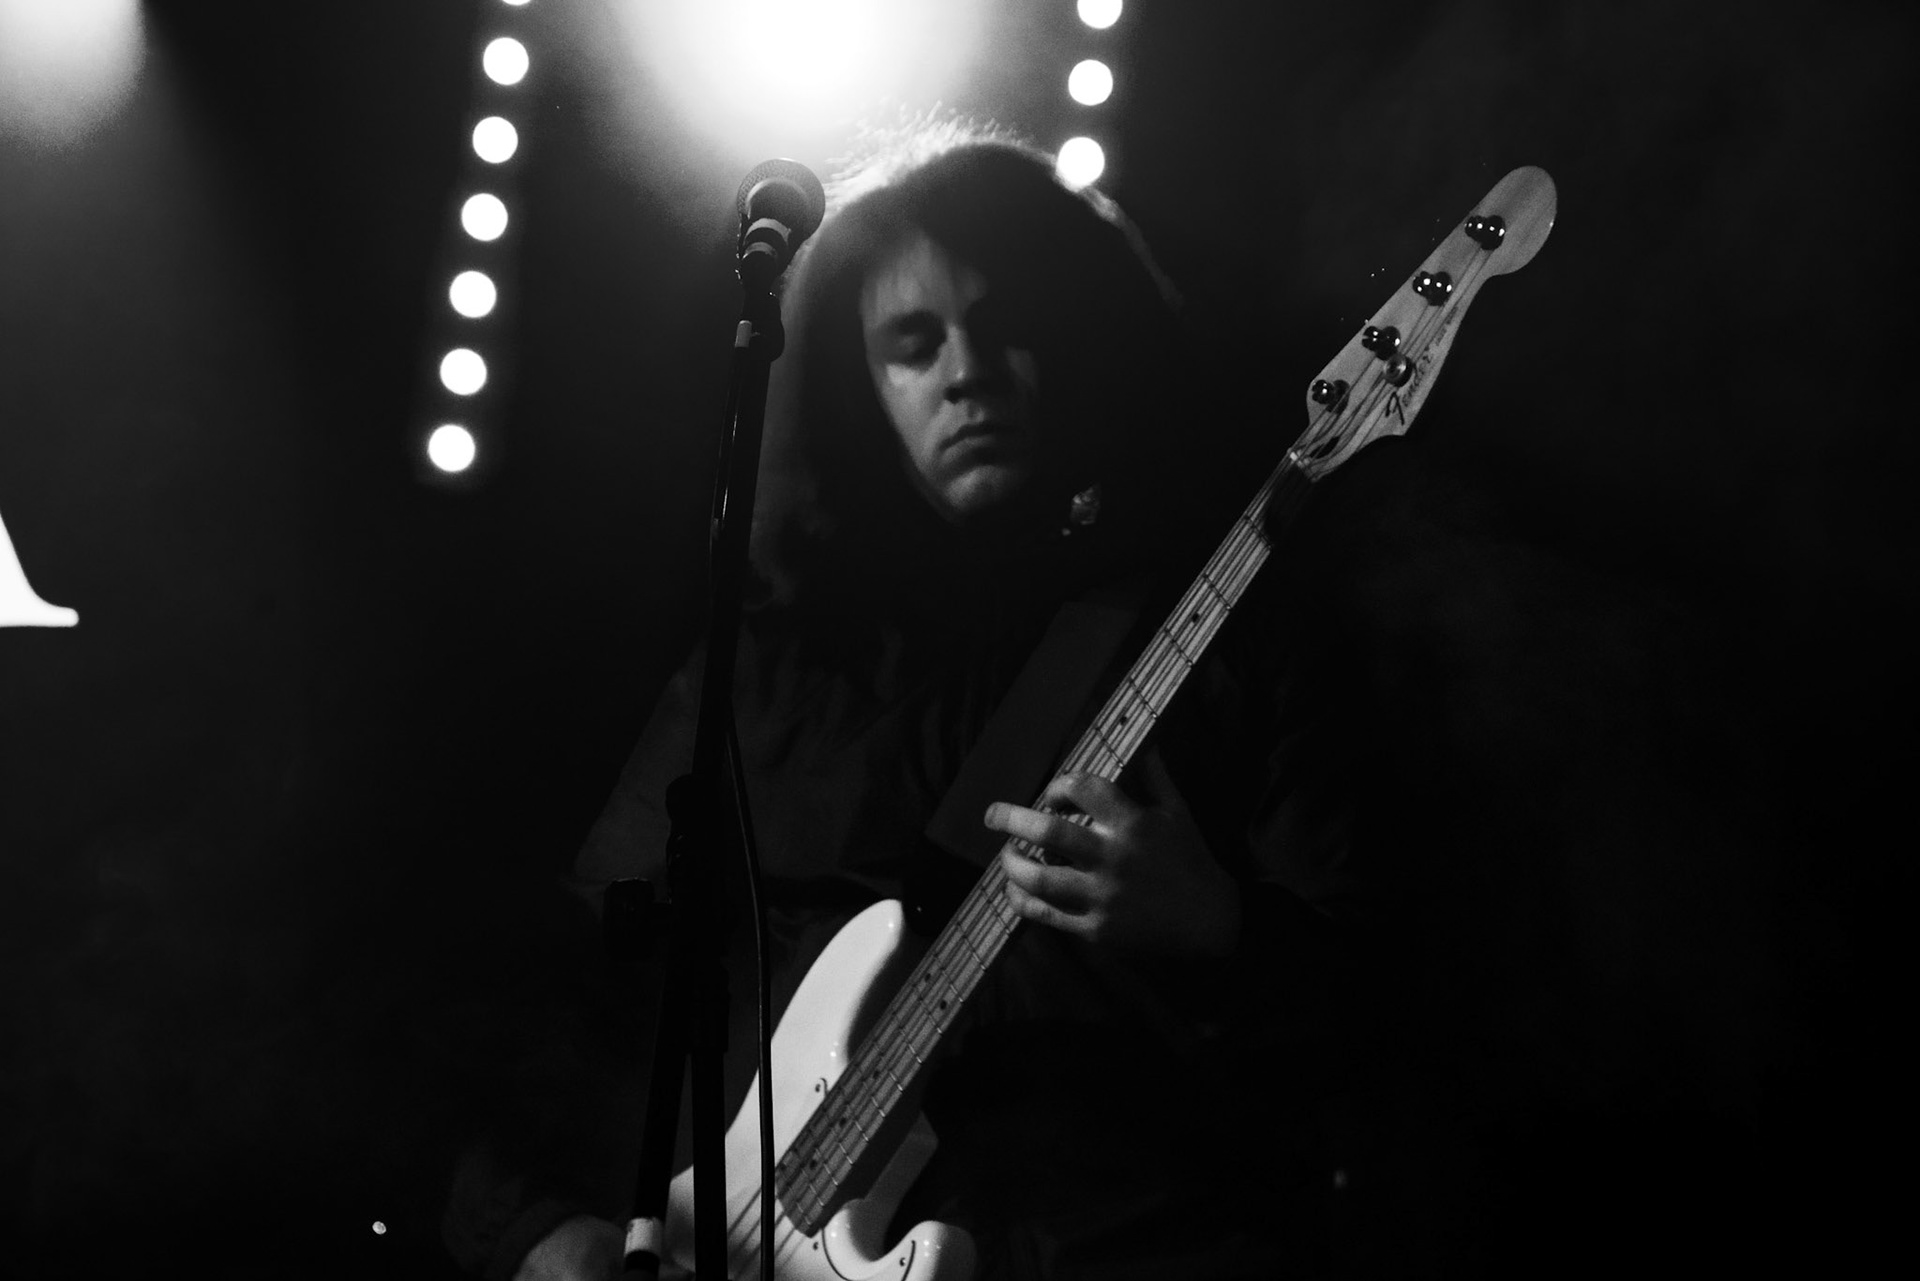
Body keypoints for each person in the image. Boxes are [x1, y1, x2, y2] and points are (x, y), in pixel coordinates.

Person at [440, 122, 1426, 1281]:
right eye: (913, 344)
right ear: (857, 388)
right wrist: (535, 1229)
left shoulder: (1238, 635)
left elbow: (1414, 1029)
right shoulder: (763, 673)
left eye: (1009, 325)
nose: (968, 370)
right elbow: (566, 992)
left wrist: (1222, 928)